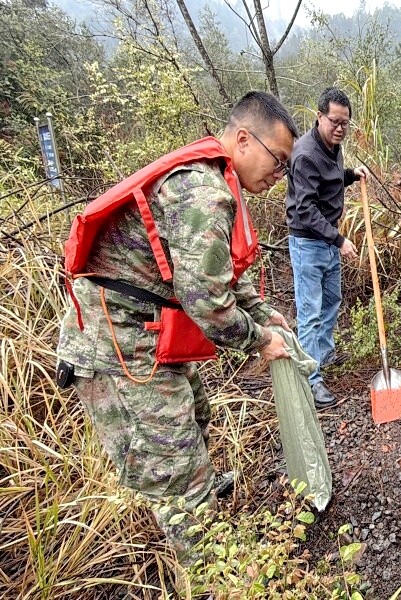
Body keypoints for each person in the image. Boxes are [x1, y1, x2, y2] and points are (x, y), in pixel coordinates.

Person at [56, 91, 297, 566]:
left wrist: (262, 312)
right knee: (171, 460)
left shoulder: (216, 180)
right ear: (243, 140)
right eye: (279, 160)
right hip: (117, 340)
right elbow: (208, 303)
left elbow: (221, 271)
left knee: (196, 412)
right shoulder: (203, 192)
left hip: (147, 328)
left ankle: (199, 492)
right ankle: (208, 569)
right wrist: (260, 340)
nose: (280, 174)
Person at [286, 87, 368, 409]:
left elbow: (329, 183)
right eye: (334, 121)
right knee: (310, 313)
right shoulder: (306, 154)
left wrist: (351, 175)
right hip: (309, 243)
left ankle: (323, 352)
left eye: (345, 123)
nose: (340, 128)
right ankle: (311, 379)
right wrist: (339, 240)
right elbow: (305, 209)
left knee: (332, 300)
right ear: (319, 117)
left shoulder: (334, 146)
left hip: (328, 239)